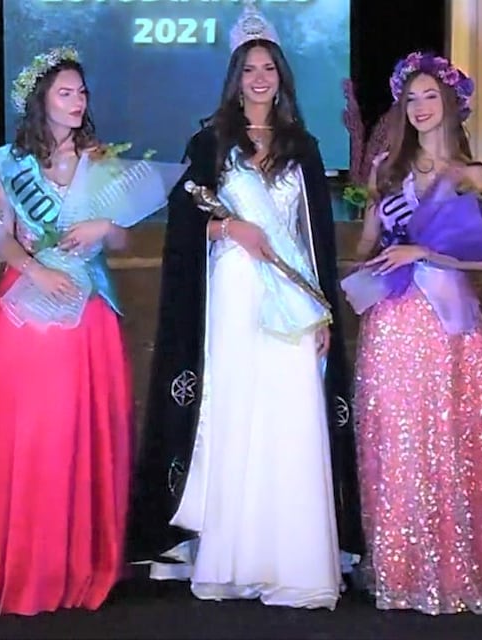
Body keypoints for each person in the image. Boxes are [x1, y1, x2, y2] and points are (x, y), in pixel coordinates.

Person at [126, 2, 363, 611]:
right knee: (236, 413)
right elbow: (184, 227)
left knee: (290, 415)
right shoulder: (209, 143)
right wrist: (230, 230)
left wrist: (322, 312)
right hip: (231, 294)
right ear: (236, 76)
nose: (259, 77)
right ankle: (231, 559)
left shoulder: (304, 148)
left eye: (269, 68)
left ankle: (296, 562)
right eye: (249, 68)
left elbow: (315, 240)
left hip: (290, 297)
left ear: (281, 76)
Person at [0, 47, 139, 615]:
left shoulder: (101, 159)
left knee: (80, 432)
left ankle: (77, 563)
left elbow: (121, 239)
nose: (77, 102)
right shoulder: (9, 164)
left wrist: (106, 224)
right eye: (65, 93)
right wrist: (35, 267)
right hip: (27, 306)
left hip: (89, 310)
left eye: (81, 93)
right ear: (40, 101)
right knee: (29, 435)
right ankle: (23, 563)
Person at [348, 52, 482, 615]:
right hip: (395, 323)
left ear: (451, 103)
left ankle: (456, 568)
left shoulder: (474, 177)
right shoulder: (386, 169)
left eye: (431, 97)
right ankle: (402, 568)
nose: (421, 108)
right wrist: (371, 254)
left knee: (454, 441)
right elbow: (364, 247)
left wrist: (426, 250)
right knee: (397, 442)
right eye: (412, 99)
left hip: (450, 323)